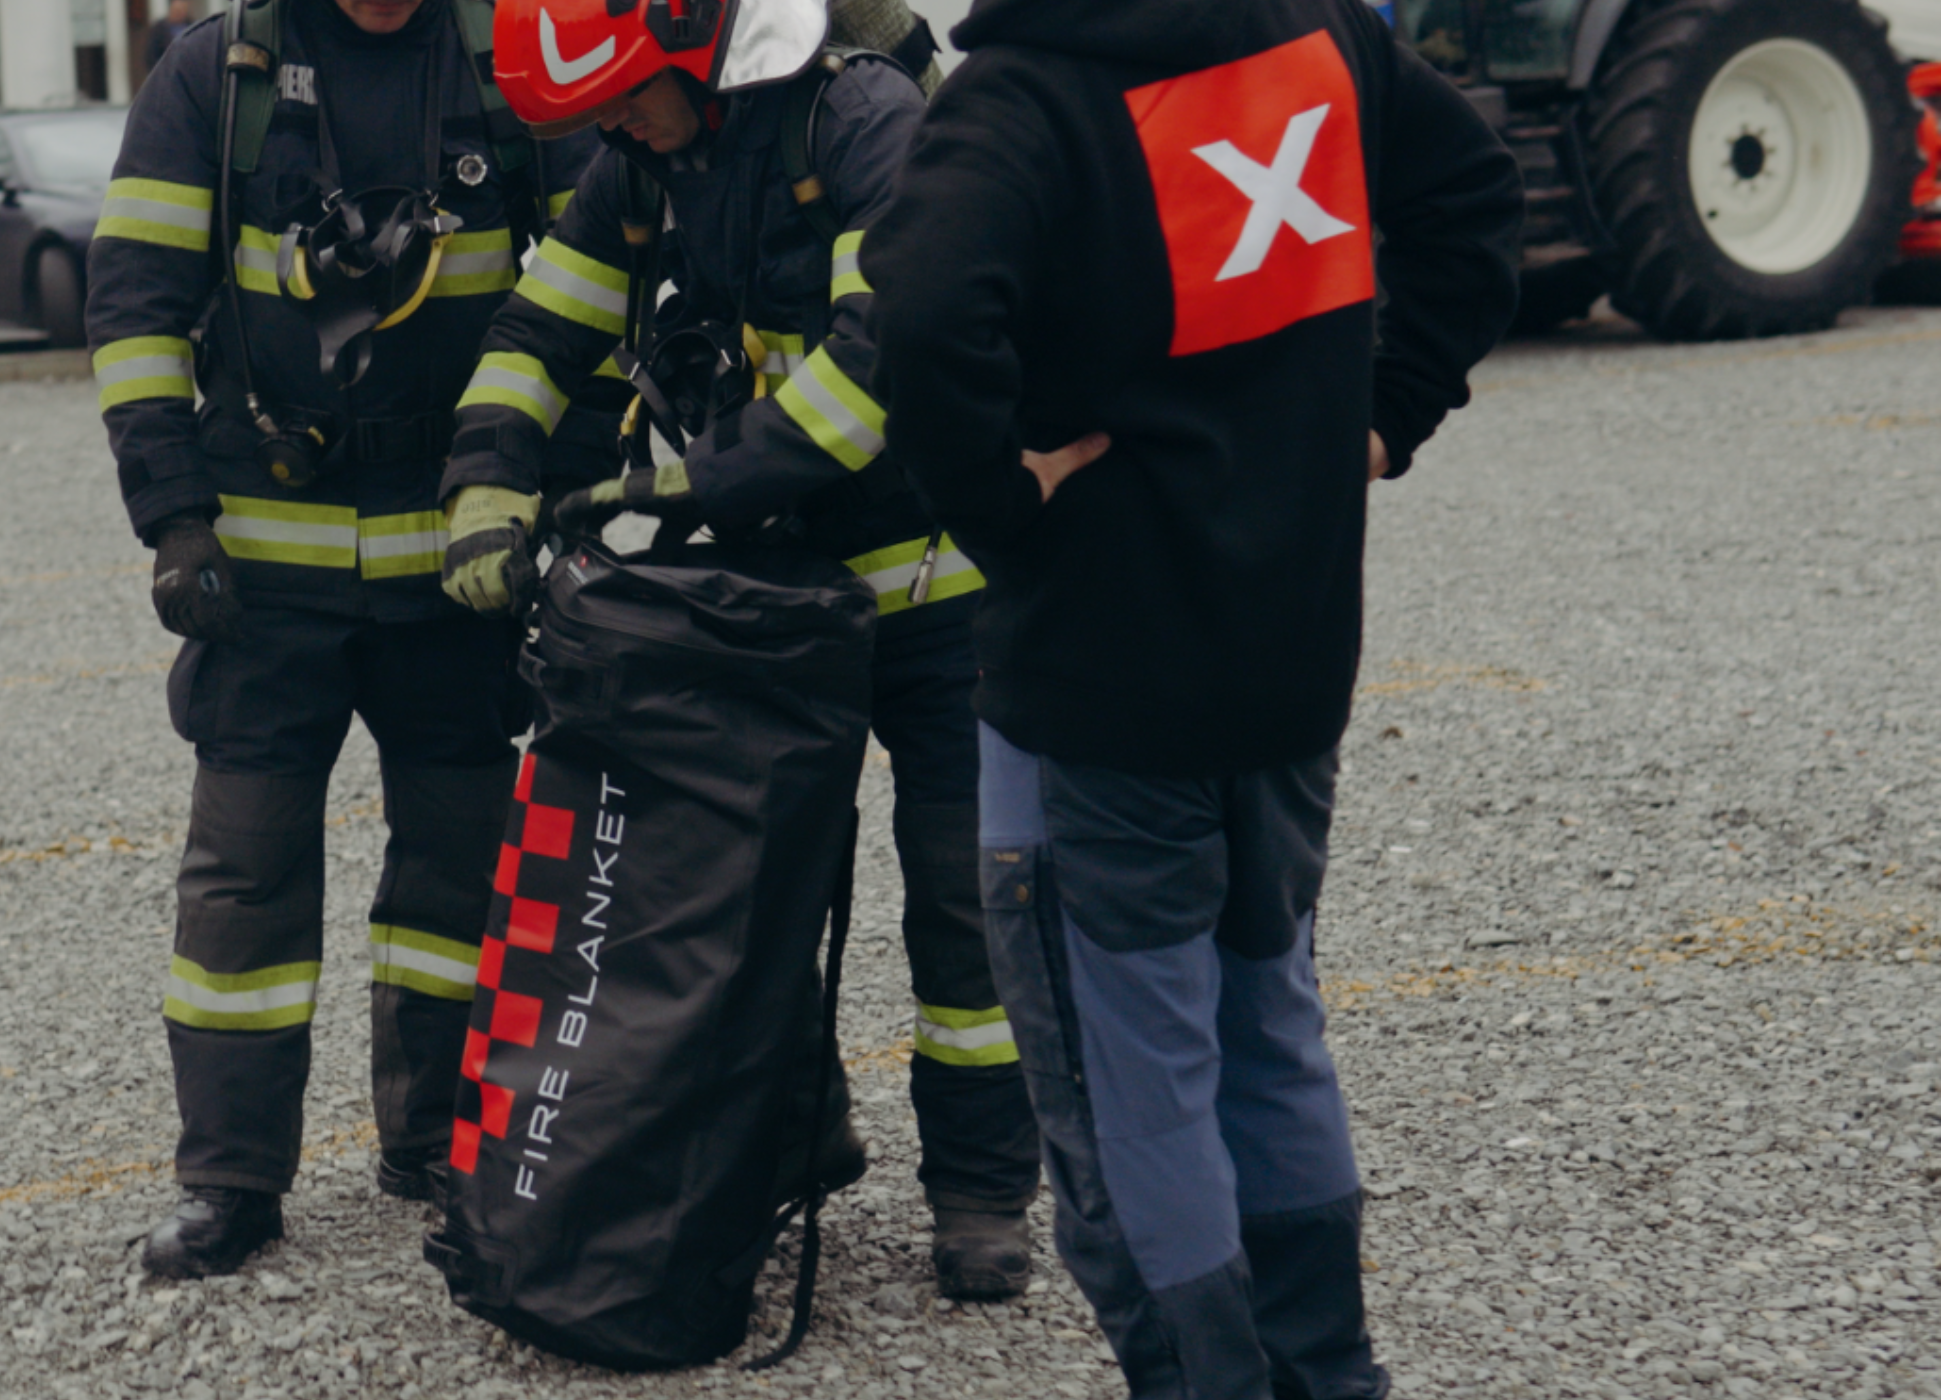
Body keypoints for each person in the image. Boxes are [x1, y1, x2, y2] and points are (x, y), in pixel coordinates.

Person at [865, 0, 1521, 1392]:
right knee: (1270, 1028)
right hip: (1289, 663)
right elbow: (1472, 193)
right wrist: (1387, 411)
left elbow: (921, 309)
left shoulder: (1025, 92)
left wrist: (1004, 509)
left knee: (1134, 1091)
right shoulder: (1319, 32)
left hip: (1098, 692)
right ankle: (1325, 1375)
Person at [438, 0, 1089, 1302]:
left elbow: (877, 367)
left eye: (625, 96)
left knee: (966, 908)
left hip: (941, 592)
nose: (613, 128)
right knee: (742, 894)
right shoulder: (642, 165)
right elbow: (536, 334)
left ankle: (978, 1193)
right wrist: (486, 479)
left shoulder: (862, 121)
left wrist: (688, 486)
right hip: (778, 599)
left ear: (698, 49)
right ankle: (796, 1134)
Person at [83, 0, 597, 1280]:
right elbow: (136, 304)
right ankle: (231, 1178)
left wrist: (551, 498)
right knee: (242, 883)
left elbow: (598, 293)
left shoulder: (509, 64)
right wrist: (173, 518)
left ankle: (439, 1141)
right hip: (263, 584)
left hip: (454, 577)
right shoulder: (217, 74)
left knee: (459, 881)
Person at [142, 0, 198, 75]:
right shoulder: (159, 29)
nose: (179, 14)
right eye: (177, 11)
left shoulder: (193, 26)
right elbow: (151, 55)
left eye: (181, 11)